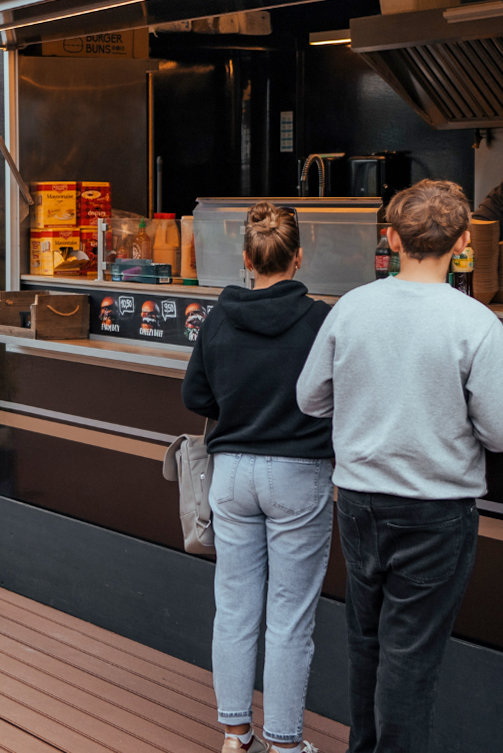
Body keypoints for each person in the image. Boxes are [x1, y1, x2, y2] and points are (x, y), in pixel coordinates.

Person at [297, 179, 503, 753]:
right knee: (410, 657)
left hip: (359, 504)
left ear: (389, 237)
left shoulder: (350, 308)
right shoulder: (479, 324)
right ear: (462, 243)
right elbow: (499, 431)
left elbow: (310, 399)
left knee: (367, 642)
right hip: (436, 513)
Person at [182, 203, 333, 753]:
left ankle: (235, 733)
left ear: (247, 259)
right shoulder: (320, 320)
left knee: (236, 605)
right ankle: (286, 742)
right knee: (290, 615)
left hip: (232, 475)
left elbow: (195, 396)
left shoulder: (219, 317)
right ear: (298, 257)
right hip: (299, 476)